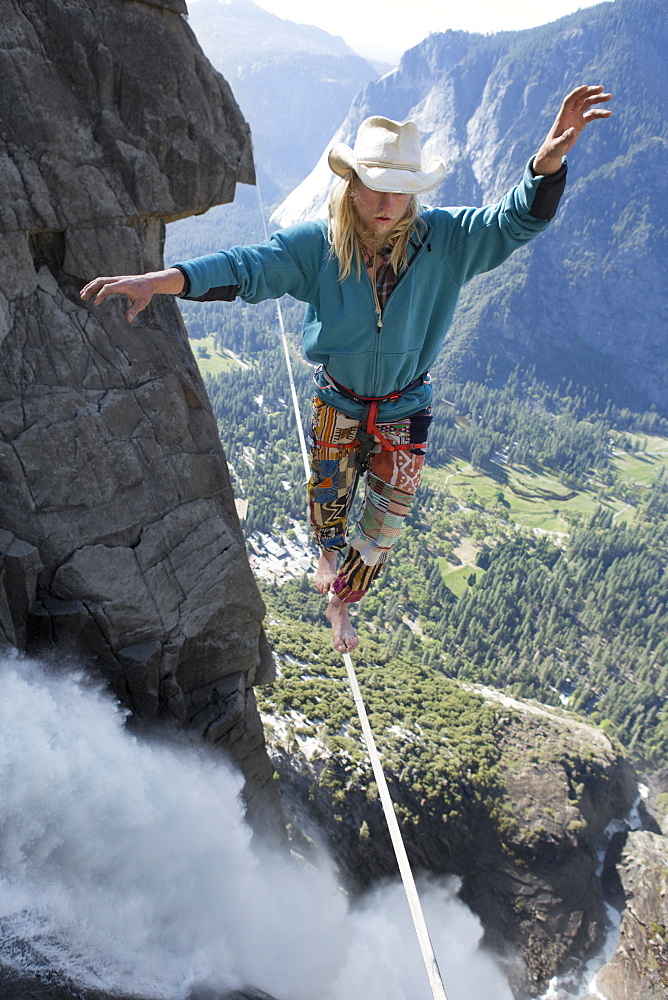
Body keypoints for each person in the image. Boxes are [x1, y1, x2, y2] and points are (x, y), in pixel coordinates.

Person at [81, 85, 612, 654]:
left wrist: (545, 165)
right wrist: (159, 281)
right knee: (328, 500)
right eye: (376, 187)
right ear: (353, 184)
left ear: (415, 194)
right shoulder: (322, 247)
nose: (387, 203)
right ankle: (326, 554)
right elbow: (246, 268)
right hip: (338, 399)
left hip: (405, 407)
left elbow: (513, 223)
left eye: (401, 191)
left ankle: (341, 600)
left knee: (383, 529)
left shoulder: (448, 243)